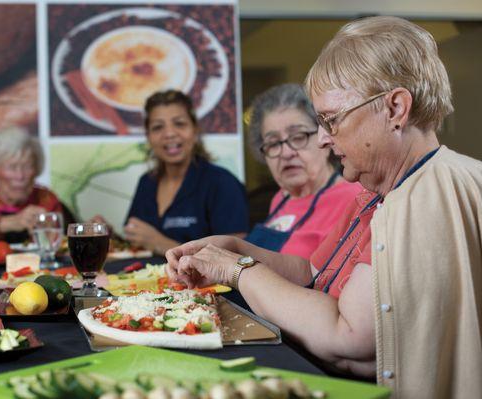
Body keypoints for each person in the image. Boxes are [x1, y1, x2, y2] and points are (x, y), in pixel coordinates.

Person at [166, 16, 482, 399]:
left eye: (331, 120)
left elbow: (348, 337)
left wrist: (237, 270)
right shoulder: (374, 191)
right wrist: (235, 250)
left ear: (395, 108)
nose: (322, 139)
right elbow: (311, 272)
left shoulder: (420, 200)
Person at [124, 90, 249, 256]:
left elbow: (236, 257)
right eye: (157, 127)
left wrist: (160, 243)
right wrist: (107, 236)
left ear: (195, 130)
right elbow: (137, 242)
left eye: (179, 123)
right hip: (148, 281)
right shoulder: (146, 182)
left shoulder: (222, 183)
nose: (169, 133)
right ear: (148, 136)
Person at [246, 83, 362, 258]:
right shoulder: (281, 198)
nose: (286, 153)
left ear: (325, 138)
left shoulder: (355, 198)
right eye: (273, 143)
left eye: (298, 137)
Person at [0, 126, 65, 246]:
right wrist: (10, 222)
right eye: (12, 167)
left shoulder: (46, 199)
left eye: (27, 166)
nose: (20, 176)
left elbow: (58, 244)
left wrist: (48, 231)